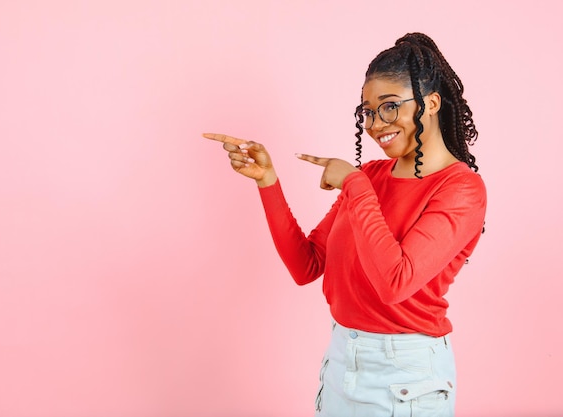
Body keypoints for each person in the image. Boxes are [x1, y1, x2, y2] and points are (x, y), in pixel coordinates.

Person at [203, 32, 486, 417]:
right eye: (367, 112)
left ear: (431, 103)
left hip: (406, 372)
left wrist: (354, 183)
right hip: (342, 360)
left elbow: (394, 283)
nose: (374, 124)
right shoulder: (371, 176)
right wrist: (267, 181)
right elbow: (306, 266)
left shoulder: (461, 188)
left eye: (389, 107)